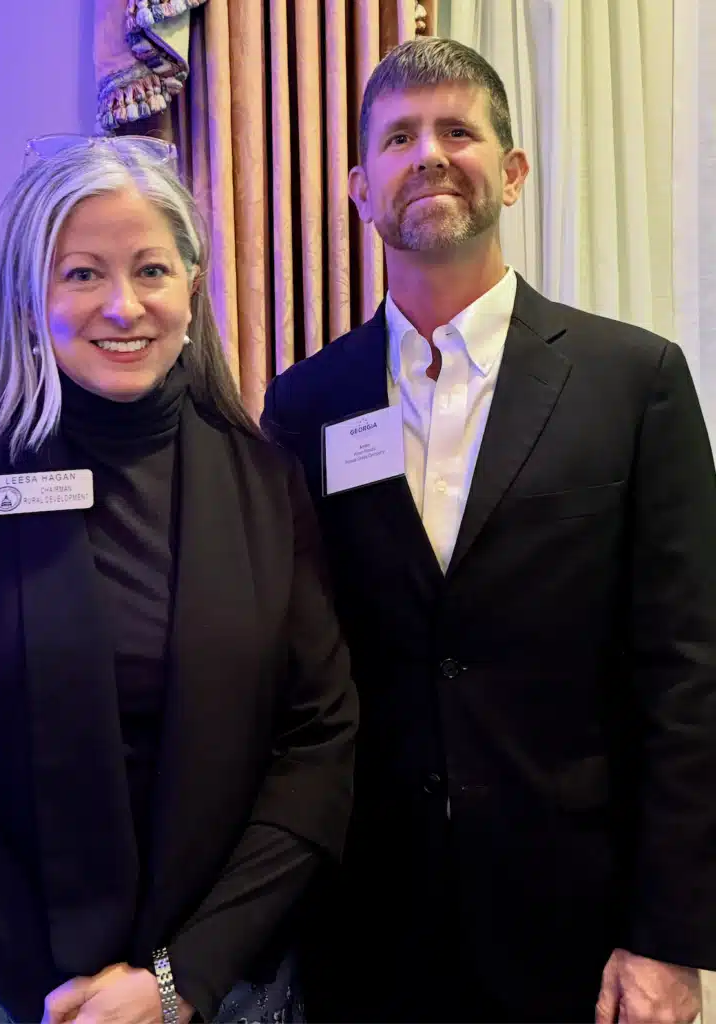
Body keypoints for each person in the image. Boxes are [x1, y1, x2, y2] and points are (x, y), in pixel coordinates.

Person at [262, 37, 716, 1024]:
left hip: (580, 933)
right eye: (398, 138)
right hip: (366, 933)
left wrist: (670, 936)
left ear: (512, 172)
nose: (428, 154)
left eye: (456, 131)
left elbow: (688, 673)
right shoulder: (304, 406)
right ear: (359, 189)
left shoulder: (634, 382)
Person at [0, 134, 358, 1024]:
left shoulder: (265, 484)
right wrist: (55, 996)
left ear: (192, 285)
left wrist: (177, 983)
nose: (123, 305)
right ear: (30, 296)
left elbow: (318, 742)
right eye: (82, 274)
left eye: (150, 270)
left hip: (220, 988)